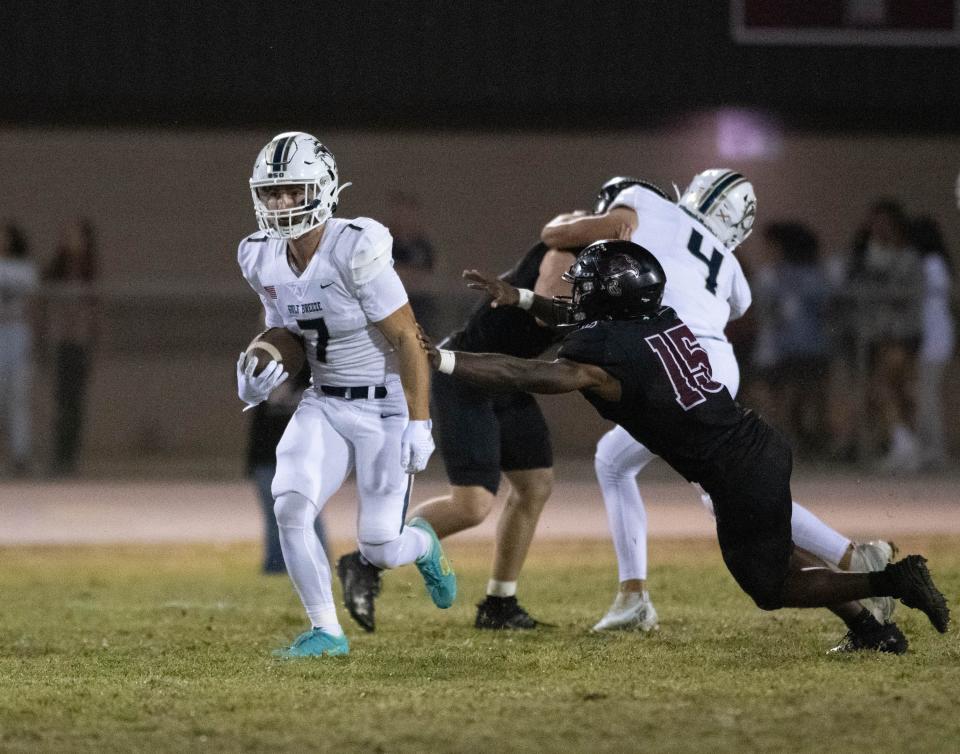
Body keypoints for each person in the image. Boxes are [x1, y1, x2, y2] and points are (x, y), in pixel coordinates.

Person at [430, 240, 949, 654]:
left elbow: (525, 371)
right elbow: (577, 315)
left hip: (734, 469)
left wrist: (450, 361)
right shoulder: (659, 318)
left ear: (612, 297)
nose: (580, 296)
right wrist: (519, 297)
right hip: (754, 445)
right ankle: (874, 632)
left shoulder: (605, 354)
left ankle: (894, 582)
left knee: (771, 588)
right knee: (777, 553)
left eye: (588, 287)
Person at [539, 172, 895, 633]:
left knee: (646, 469)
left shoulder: (646, 205)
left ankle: (634, 597)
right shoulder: (725, 258)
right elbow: (736, 306)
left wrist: (576, 226)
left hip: (676, 358)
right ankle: (851, 555)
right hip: (712, 361)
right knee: (711, 486)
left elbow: (556, 235)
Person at [236, 131, 455, 658]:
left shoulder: (355, 246)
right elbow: (284, 331)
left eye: (293, 190)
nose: (281, 202)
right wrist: (255, 368)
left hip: (384, 404)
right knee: (289, 503)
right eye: (273, 192)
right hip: (326, 400)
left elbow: (407, 337)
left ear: (323, 189)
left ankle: (423, 543)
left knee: (379, 547)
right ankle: (325, 631)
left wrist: (420, 422)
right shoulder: (260, 255)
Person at [337, 234, 576, 631]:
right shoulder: (565, 250)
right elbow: (546, 306)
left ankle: (500, 603)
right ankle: (365, 561)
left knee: (535, 484)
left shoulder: (605, 265)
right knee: (473, 506)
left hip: (508, 377)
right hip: (466, 373)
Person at [844, 200, 923, 471]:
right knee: (887, 390)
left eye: (884, 223)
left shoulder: (908, 256)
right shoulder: (869, 253)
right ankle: (903, 444)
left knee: (891, 389)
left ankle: (905, 445)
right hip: (879, 334)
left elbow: (902, 292)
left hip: (903, 333)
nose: (879, 228)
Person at [246, 364, 328, 573]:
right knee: (274, 515)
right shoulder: (265, 380)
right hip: (267, 460)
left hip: (302, 460)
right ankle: (275, 565)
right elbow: (258, 428)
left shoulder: (314, 380)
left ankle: (315, 563)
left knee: (308, 514)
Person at [42, 218, 98, 476]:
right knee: (61, 402)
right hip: (60, 342)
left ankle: (69, 459)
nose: (69, 239)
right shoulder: (56, 269)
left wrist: (93, 343)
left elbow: (94, 312)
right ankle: (57, 457)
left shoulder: (88, 271)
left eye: (74, 235)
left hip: (79, 344)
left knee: (75, 403)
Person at [909, 216, 955, 469]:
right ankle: (929, 451)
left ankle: (935, 453)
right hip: (932, 337)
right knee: (926, 396)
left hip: (935, 337)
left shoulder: (932, 263)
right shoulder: (931, 262)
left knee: (929, 397)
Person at [0, 223, 38, 475]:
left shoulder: (25, 269)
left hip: (19, 336)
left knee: (19, 400)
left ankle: (20, 456)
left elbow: (33, 304)